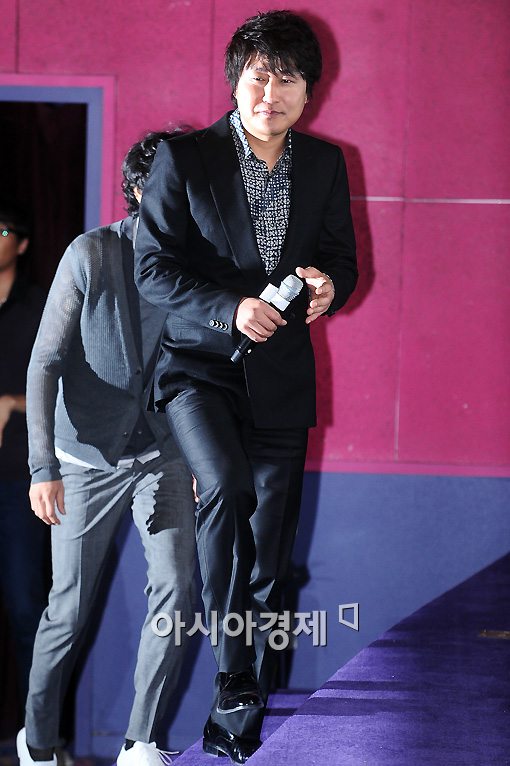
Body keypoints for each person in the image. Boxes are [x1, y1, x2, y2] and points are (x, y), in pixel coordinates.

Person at [135, 11, 357, 764]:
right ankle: (232, 672)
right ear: (236, 81)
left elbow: (341, 260)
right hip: (197, 369)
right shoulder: (184, 158)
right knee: (227, 487)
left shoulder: (325, 164)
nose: (272, 92)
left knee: (269, 551)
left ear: (309, 92)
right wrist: (228, 307)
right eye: (260, 75)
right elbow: (152, 268)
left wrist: (329, 287)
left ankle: (239, 705)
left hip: (282, 376)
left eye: (288, 78)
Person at [17, 130, 197, 766]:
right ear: (140, 189)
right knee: (67, 610)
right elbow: (44, 362)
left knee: (176, 589)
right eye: (171, 183)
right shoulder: (91, 252)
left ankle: (139, 741)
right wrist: (42, 466)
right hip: (83, 459)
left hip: (163, 455)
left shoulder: (199, 265)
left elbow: (207, 370)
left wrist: (200, 456)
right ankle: (39, 743)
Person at [0, 202, 48, 717]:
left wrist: (11, 402)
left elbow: (64, 382)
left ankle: (40, 737)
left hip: (19, 475)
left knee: (25, 607)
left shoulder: (39, 306)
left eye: (2, 231)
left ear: (22, 243)